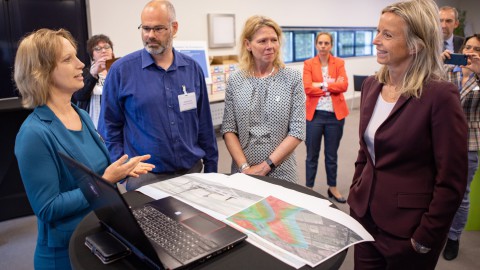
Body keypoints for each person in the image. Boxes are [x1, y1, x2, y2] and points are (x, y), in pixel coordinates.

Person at [13, 28, 154, 270]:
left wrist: (122, 169)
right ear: (41, 72)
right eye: (68, 59)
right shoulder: (33, 134)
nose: (81, 64)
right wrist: (106, 180)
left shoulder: (81, 115)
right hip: (64, 254)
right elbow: (48, 207)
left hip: (99, 239)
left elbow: (94, 169)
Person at [347, 1, 468, 269]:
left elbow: (452, 179)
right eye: (377, 31)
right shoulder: (372, 85)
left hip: (408, 231)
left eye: (387, 35)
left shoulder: (439, 96)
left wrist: (426, 235)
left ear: (416, 44)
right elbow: (365, 150)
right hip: (365, 218)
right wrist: (357, 191)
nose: (376, 40)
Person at [98, 0, 218, 191]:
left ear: (174, 27)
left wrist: (212, 170)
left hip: (192, 172)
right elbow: (108, 127)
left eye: (158, 29)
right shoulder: (122, 71)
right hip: (146, 178)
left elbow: (204, 125)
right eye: (145, 28)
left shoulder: (192, 69)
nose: (150, 35)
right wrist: (123, 168)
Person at [221, 15, 305, 183]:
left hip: (282, 170)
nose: (270, 46)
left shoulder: (292, 78)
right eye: (262, 41)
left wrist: (265, 167)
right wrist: (245, 167)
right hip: (244, 171)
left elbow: (297, 130)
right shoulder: (236, 80)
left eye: (274, 40)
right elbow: (228, 128)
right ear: (248, 45)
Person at [441, 34, 480, 261]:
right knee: (434, 188)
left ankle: (453, 237)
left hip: (469, 144)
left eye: (476, 49)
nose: (470, 52)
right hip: (440, 140)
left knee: (461, 195)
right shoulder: (448, 70)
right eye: (467, 47)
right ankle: (436, 230)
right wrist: (437, 62)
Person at [303, 32, 348, 202]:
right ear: (316, 45)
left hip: (335, 117)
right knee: (311, 155)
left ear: (331, 45)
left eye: (326, 43)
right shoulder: (308, 64)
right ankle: (308, 188)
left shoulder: (339, 63)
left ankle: (333, 187)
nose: (323, 46)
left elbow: (343, 85)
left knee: (331, 155)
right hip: (314, 116)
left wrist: (320, 85)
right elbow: (307, 88)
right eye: (320, 43)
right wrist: (330, 86)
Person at [73, 34, 115, 128]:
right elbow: (79, 96)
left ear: (112, 51)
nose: (103, 51)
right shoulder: (84, 72)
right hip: (93, 125)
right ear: (92, 55)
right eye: (98, 48)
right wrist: (93, 75)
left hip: (114, 124)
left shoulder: (120, 71)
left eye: (107, 47)